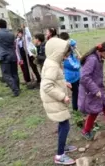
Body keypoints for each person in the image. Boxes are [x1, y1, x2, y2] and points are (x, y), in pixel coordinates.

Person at [40, 37, 77, 165]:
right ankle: (60, 155)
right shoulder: (53, 66)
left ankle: (63, 146)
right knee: (65, 125)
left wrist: (64, 83)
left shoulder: (51, 62)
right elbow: (47, 86)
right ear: (57, 52)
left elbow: (52, 80)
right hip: (54, 100)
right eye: (64, 54)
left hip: (53, 99)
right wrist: (63, 96)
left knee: (63, 123)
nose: (66, 57)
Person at [78, 41, 105, 140]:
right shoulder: (92, 59)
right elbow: (84, 77)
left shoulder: (98, 58)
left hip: (98, 87)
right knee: (94, 111)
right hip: (91, 89)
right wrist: (95, 90)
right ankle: (85, 131)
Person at [0, 19, 20, 96]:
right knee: (14, 73)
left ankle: (15, 90)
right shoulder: (11, 33)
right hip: (13, 55)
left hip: (4, 56)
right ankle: (18, 88)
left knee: (6, 74)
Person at [59, 32, 80, 111]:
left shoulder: (70, 53)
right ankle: (75, 108)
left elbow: (74, 43)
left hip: (76, 76)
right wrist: (79, 63)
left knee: (78, 91)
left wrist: (70, 42)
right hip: (71, 78)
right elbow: (74, 66)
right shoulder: (66, 59)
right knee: (75, 93)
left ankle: (78, 105)